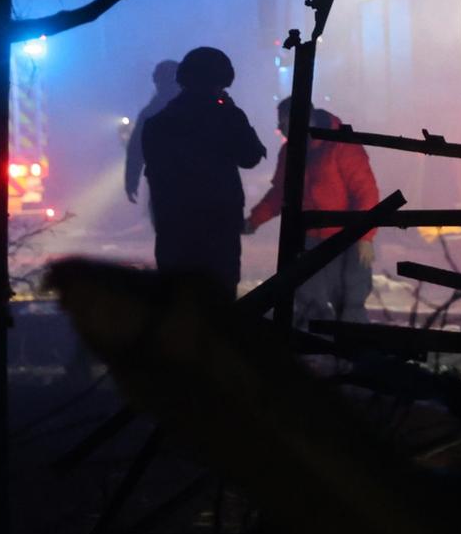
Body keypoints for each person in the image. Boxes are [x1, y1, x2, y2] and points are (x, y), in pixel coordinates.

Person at [138, 46, 266, 291]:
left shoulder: (158, 122)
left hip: (173, 227)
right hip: (219, 225)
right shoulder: (227, 116)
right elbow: (250, 157)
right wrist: (233, 112)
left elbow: (155, 172)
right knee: (219, 298)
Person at [246, 100, 381, 325]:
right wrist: (254, 220)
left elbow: (366, 193)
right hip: (308, 241)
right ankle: (320, 354)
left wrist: (365, 238)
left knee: (349, 304)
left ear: (304, 119)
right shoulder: (290, 150)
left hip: (345, 240)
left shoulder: (340, 145)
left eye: (284, 123)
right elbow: (281, 193)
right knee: (311, 302)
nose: (281, 129)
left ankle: (352, 353)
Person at [123, 58, 180, 214]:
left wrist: (131, 181)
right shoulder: (201, 107)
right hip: (200, 186)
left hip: (163, 184)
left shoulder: (150, 112)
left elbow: (135, 150)